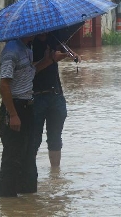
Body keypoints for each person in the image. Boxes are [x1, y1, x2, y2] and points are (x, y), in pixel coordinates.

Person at [0, 36, 52, 197]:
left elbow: (30, 73)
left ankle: (27, 203)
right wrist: (13, 114)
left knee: (28, 156)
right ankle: (7, 202)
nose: (37, 32)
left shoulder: (26, 49)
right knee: (12, 158)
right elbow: (4, 85)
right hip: (15, 107)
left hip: (28, 107)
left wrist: (49, 60)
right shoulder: (11, 51)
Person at [31, 32, 80, 172]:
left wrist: (73, 55)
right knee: (34, 139)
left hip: (56, 96)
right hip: (36, 96)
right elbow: (29, 71)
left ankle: (55, 175)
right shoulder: (29, 43)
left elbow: (66, 51)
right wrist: (50, 60)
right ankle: (30, 175)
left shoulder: (55, 38)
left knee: (55, 138)